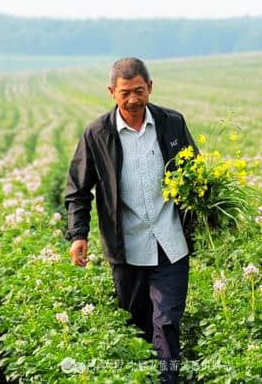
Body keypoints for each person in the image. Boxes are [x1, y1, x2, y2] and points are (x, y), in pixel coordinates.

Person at [64, 57, 198, 383]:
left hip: (170, 243)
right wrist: (78, 235)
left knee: (166, 321)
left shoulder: (172, 123)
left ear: (150, 88)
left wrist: (212, 213)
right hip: (127, 248)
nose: (133, 99)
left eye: (139, 91)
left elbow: (196, 175)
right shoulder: (97, 134)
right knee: (137, 324)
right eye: (125, 93)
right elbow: (78, 189)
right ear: (112, 92)